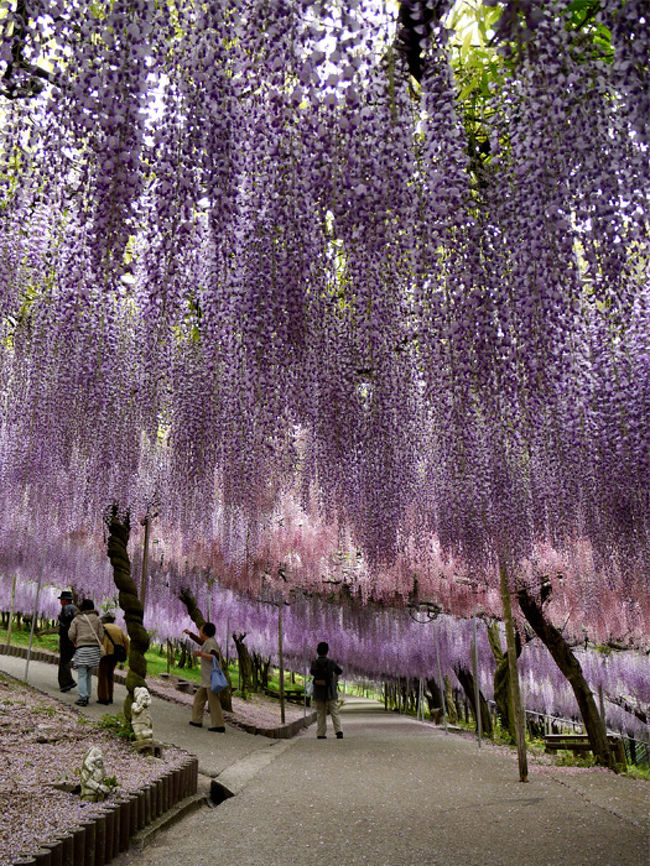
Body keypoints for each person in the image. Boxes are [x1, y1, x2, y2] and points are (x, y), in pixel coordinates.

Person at [183, 622, 226, 732]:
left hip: (211, 678)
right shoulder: (208, 642)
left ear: (205, 632)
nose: (199, 631)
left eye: (200, 630)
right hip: (207, 679)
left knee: (213, 701)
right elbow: (202, 642)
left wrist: (201, 654)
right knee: (199, 698)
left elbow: (215, 656)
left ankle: (219, 725)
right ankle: (196, 720)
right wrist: (190, 634)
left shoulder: (211, 643)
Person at [68, 599, 104, 706]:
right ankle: (87, 695)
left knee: (82, 675)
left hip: (82, 648)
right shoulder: (97, 620)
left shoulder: (77, 619)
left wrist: (76, 640)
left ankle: (83, 697)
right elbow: (101, 636)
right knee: (88, 675)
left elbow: (71, 634)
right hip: (94, 650)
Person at [310, 641, 343, 739]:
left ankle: (320, 733)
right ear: (327, 651)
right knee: (334, 711)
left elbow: (312, 672)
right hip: (330, 691)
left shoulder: (314, 663)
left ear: (317, 651)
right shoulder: (331, 662)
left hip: (319, 691)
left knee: (321, 713)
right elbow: (339, 671)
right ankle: (339, 731)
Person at [97, 612, 129, 705]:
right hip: (115, 654)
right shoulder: (118, 629)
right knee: (110, 674)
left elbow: (99, 639)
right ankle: (110, 696)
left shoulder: (104, 627)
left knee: (103, 675)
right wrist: (126, 653)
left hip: (106, 653)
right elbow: (126, 641)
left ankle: (103, 698)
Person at [55, 590, 78, 692]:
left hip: (66, 639)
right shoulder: (76, 609)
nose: (60, 602)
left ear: (65, 600)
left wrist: (60, 619)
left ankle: (67, 683)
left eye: (61, 600)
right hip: (74, 639)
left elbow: (65, 625)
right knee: (66, 660)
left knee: (64, 660)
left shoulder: (66, 608)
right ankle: (67, 682)